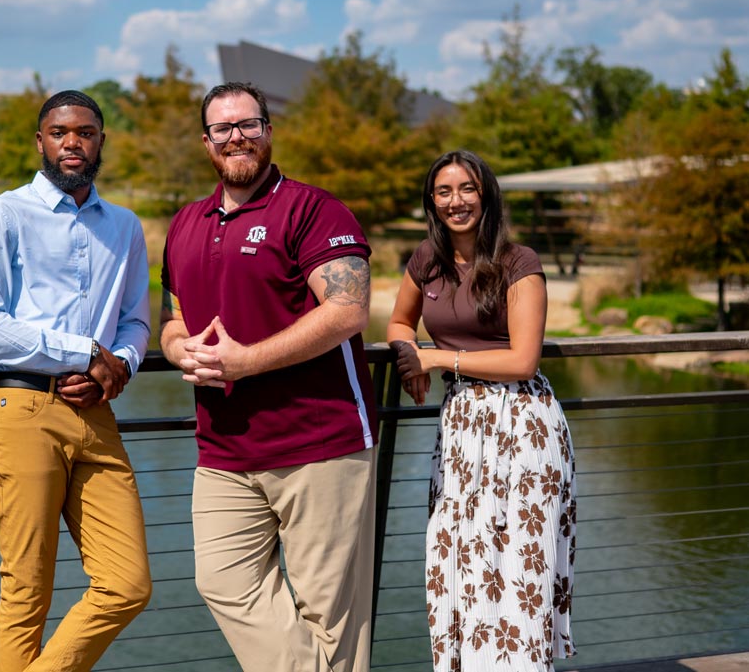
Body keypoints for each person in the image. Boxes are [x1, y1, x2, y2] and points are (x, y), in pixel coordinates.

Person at [160, 81, 380, 672]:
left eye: (248, 124)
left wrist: (246, 361)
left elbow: (348, 310)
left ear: (268, 131)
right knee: (223, 584)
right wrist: (179, 349)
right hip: (223, 447)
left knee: (329, 613)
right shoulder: (186, 222)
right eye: (222, 128)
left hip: (319, 442)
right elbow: (174, 318)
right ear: (206, 142)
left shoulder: (313, 208)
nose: (236, 137)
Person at [0, 89, 153, 672]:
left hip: (95, 416)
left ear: (100, 141)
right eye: (60, 132)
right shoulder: (3, 213)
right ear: (40, 141)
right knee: (27, 590)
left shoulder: (125, 227)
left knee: (128, 583)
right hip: (20, 412)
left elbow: (137, 321)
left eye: (86, 132)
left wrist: (117, 367)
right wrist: (83, 351)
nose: (74, 142)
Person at [386, 150, 575, 672]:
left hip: (522, 424)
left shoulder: (519, 261)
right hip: (463, 428)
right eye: (443, 191)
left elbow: (521, 359)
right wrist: (409, 358)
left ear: (486, 193)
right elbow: (399, 322)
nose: (456, 201)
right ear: (432, 201)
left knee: (516, 566)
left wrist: (438, 357)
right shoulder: (426, 259)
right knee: (460, 557)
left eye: (467, 188)